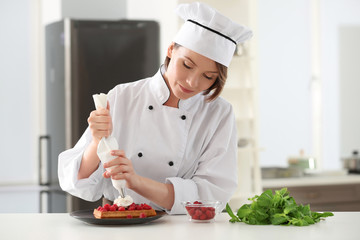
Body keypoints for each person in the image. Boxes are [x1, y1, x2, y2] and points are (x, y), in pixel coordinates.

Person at [58, 1, 252, 214]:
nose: (192, 82)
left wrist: (136, 182)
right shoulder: (123, 96)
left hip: (183, 228)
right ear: (171, 50)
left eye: (208, 77)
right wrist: (96, 142)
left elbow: (212, 195)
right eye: (187, 65)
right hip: (121, 223)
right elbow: (76, 182)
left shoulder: (219, 113)